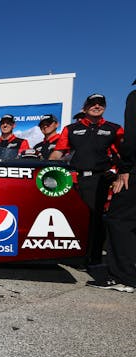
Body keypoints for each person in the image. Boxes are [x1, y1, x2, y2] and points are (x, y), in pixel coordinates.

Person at [49, 94, 124, 269]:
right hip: (74, 179)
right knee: (73, 217)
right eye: (92, 104)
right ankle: (75, 255)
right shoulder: (71, 129)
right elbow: (58, 153)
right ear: (85, 107)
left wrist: (120, 173)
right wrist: (46, 169)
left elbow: (122, 155)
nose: (97, 106)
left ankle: (95, 257)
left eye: (101, 104)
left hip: (100, 180)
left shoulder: (114, 129)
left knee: (95, 219)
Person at [87, 82, 136, 292]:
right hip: (87, 181)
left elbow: (132, 137)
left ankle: (124, 276)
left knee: (119, 219)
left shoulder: (134, 97)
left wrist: (125, 168)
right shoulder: (73, 129)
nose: (97, 106)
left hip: (130, 172)